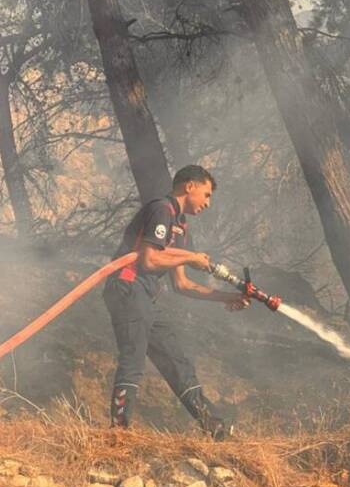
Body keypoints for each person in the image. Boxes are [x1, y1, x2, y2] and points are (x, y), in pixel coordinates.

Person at [102, 165, 249, 440]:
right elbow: (148, 260)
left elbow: (182, 284)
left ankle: (214, 427)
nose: (208, 203)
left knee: (175, 359)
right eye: (206, 194)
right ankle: (118, 434)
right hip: (128, 285)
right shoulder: (162, 209)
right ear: (189, 186)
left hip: (146, 294)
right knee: (134, 357)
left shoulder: (180, 226)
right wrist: (191, 257)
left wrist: (228, 297)